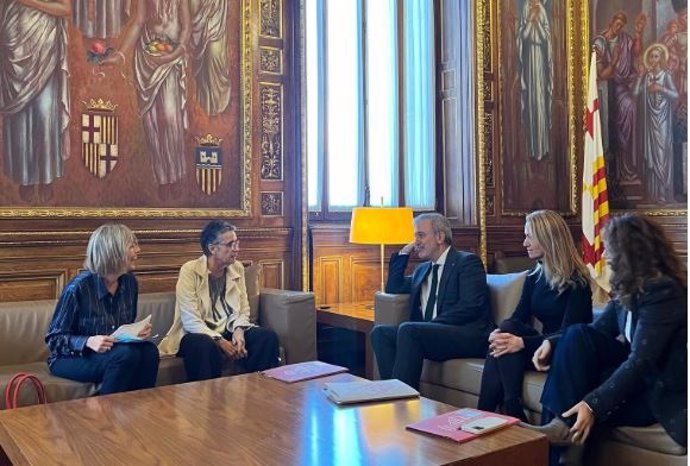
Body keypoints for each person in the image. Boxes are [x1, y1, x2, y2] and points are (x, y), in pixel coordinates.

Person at [524, 214, 687, 466]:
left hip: (657, 389)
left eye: (610, 249)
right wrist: (553, 343)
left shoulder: (664, 291)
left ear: (629, 252)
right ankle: (562, 431)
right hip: (637, 381)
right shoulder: (628, 289)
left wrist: (592, 405)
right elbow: (595, 331)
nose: (606, 257)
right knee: (577, 334)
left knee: (585, 395)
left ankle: (561, 432)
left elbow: (640, 362)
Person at [477, 210, 593, 421]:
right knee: (505, 333)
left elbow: (569, 335)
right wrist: (499, 332)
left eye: (529, 236)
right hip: (537, 350)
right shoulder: (534, 277)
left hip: (560, 353)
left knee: (505, 341)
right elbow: (517, 317)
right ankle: (510, 407)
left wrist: (522, 343)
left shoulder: (578, 282)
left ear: (547, 238)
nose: (524, 243)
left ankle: (486, 414)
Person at [370, 213, 493, 390]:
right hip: (429, 333)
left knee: (409, 329)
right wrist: (404, 253)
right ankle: (392, 396)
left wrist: (431, 325)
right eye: (415, 236)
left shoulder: (467, 262)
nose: (416, 241)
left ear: (440, 237)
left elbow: (470, 306)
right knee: (380, 333)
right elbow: (394, 287)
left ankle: (403, 402)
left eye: (420, 235)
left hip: (465, 334)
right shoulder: (423, 270)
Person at [158, 220, 280, 381]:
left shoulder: (237, 268)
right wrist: (220, 341)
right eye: (230, 244)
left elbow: (244, 309)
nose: (236, 249)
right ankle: (207, 401)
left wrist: (239, 330)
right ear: (212, 248)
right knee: (204, 345)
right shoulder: (190, 270)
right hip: (197, 334)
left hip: (228, 328)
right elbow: (191, 321)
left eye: (236, 243)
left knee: (266, 337)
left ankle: (259, 393)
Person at [46, 224, 159, 394]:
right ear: (114, 251)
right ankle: (105, 415)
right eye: (132, 246)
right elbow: (54, 339)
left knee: (149, 351)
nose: (138, 250)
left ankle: (140, 411)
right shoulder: (79, 288)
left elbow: (125, 327)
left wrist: (136, 332)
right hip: (71, 357)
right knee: (125, 355)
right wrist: (88, 341)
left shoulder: (130, 283)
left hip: (114, 352)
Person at [101, 0, 191, 199]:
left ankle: (175, 175)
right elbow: (138, 22)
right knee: (152, 122)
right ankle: (162, 178)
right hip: (146, 57)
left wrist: (174, 54)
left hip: (169, 59)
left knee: (169, 117)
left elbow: (186, 29)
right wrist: (121, 55)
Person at [0, 0, 71, 203]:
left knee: (46, 112)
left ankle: (46, 176)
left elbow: (66, 9)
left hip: (45, 45)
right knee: (20, 118)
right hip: (13, 43)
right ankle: (26, 178)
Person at [593, 11, 646, 184]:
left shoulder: (624, 39)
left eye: (622, 26)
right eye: (617, 24)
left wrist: (638, 32)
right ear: (611, 23)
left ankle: (627, 166)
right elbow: (602, 75)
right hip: (607, 92)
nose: (619, 28)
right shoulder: (600, 42)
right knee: (626, 109)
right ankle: (612, 172)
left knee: (631, 107)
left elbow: (636, 52)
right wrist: (615, 60)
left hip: (622, 88)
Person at [633, 43, 679, 204]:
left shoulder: (666, 76)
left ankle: (663, 193)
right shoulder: (646, 76)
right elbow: (635, 93)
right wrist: (640, 76)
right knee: (650, 155)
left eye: (656, 56)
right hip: (649, 122)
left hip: (663, 120)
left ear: (661, 59)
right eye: (651, 56)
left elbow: (675, 94)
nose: (653, 59)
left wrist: (661, 89)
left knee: (661, 155)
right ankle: (652, 194)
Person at [517, 0, 553, 160]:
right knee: (532, 103)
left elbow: (546, 39)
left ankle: (543, 147)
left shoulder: (542, 10)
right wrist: (530, 20)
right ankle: (533, 148)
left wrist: (537, 23)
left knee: (541, 102)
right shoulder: (526, 8)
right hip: (529, 64)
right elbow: (522, 37)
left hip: (540, 61)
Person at [189, 0, 231, 116]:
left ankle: (218, 102)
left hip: (217, 23)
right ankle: (206, 104)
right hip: (200, 20)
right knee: (203, 67)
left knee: (214, 54)